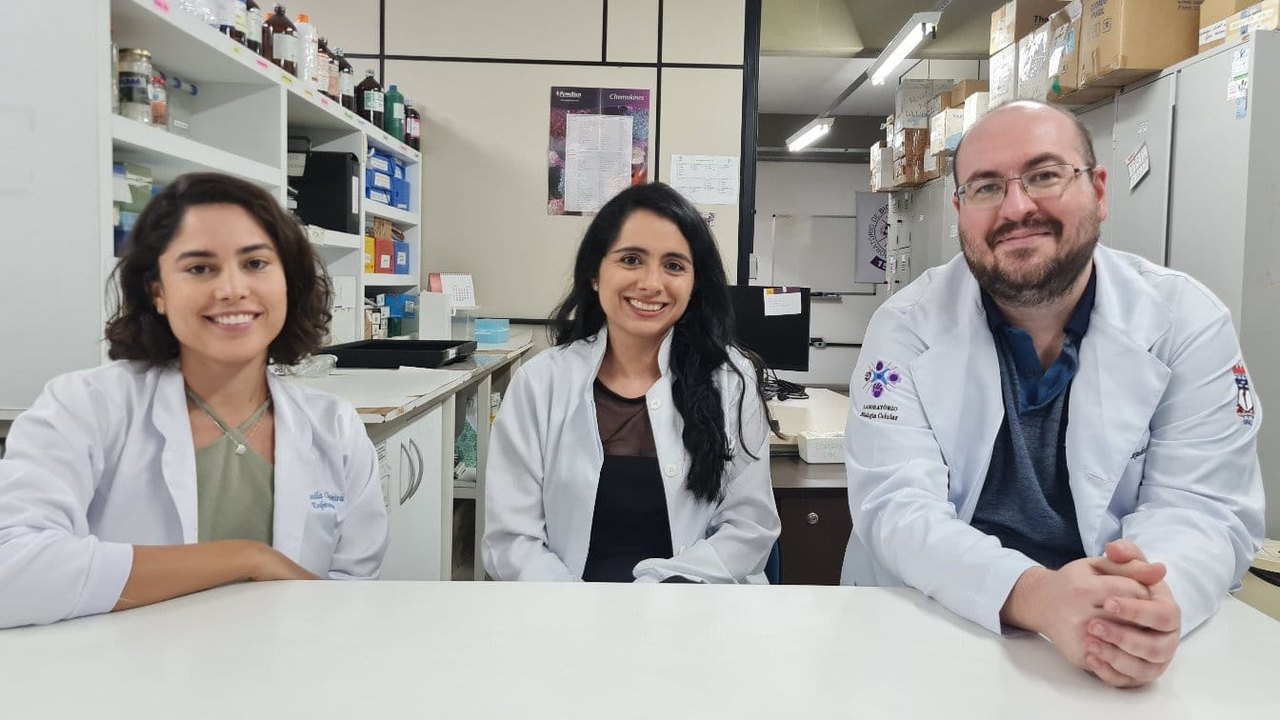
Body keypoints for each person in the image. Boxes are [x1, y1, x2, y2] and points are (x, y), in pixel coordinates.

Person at [841, 101, 1265, 687]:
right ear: (960, 210)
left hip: (1116, 644)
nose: (1017, 207)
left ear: (1099, 191)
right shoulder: (906, 326)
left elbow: (1203, 507)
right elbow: (898, 506)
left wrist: (1133, 614)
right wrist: (1039, 596)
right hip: (936, 629)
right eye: (986, 186)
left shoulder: (1187, 322)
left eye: (1044, 175)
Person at [0, 173, 388, 628]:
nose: (232, 289)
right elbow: (11, 568)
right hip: (126, 666)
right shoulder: (85, 406)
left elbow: (351, 597)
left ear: (288, 281)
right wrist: (246, 558)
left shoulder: (336, 428)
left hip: (293, 664)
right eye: (200, 268)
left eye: (256, 263)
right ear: (158, 292)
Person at [483, 182, 780, 583]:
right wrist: (575, 606)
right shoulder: (540, 382)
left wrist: (661, 592)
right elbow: (512, 539)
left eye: (674, 265)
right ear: (595, 274)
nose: (651, 283)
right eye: (631, 259)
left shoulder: (731, 381)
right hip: (562, 610)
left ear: (694, 283)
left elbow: (750, 527)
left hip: (694, 604)